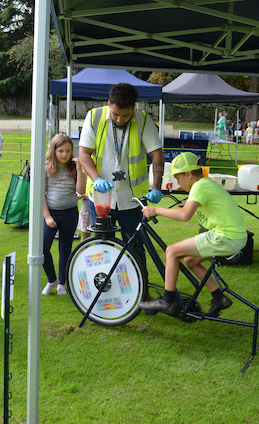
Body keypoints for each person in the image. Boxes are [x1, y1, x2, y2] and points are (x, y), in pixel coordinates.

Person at [138, 152, 247, 316]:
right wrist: (188, 203)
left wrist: (156, 210)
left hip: (226, 236)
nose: (178, 183)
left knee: (172, 251)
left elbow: (184, 216)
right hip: (234, 237)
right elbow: (200, 204)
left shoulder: (200, 186)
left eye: (178, 178)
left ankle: (167, 301)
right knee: (190, 260)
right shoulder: (204, 184)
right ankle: (219, 298)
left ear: (188, 174)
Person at [77, 83, 165, 281]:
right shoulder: (94, 116)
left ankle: (142, 293)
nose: (119, 119)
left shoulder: (142, 120)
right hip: (101, 198)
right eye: (116, 114)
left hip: (132, 200)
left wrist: (156, 188)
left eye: (125, 116)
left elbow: (157, 155)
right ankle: (103, 289)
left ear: (133, 107)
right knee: (102, 246)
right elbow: (83, 154)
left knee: (136, 245)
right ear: (109, 104)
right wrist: (96, 178)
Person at [41, 134, 85, 296]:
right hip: (50, 213)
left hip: (70, 214)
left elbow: (80, 191)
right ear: (53, 150)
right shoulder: (46, 168)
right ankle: (52, 280)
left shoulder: (73, 168)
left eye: (68, 151)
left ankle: (62, 282)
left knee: (65, 248)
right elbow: (41, 195)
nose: (65, 155)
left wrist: (80, 169)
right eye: (61, 151)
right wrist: (47, 216)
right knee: (43, 248)